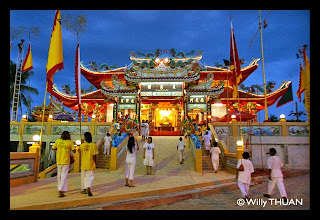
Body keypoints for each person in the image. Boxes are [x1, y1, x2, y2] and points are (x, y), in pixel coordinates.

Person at [52, 131, 76, 198]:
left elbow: (53, 148)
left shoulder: (58, 141)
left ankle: (61, 187)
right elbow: (74, 150)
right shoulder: (70, 142)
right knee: (64, 175)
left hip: (59, 160)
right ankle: (60, 189)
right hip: (66, 160)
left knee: (59, 174)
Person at [79, 132, 98, 197]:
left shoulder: (82, 145)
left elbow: (79, 151)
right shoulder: (93, 145)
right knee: (90, 176)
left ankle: (84, 189)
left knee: (83, 177)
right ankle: (88, 187)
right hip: (90, 162)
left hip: (83, 163)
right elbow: (94, 155)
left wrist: (81, 143)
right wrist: (95, 163)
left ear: (85, 138)